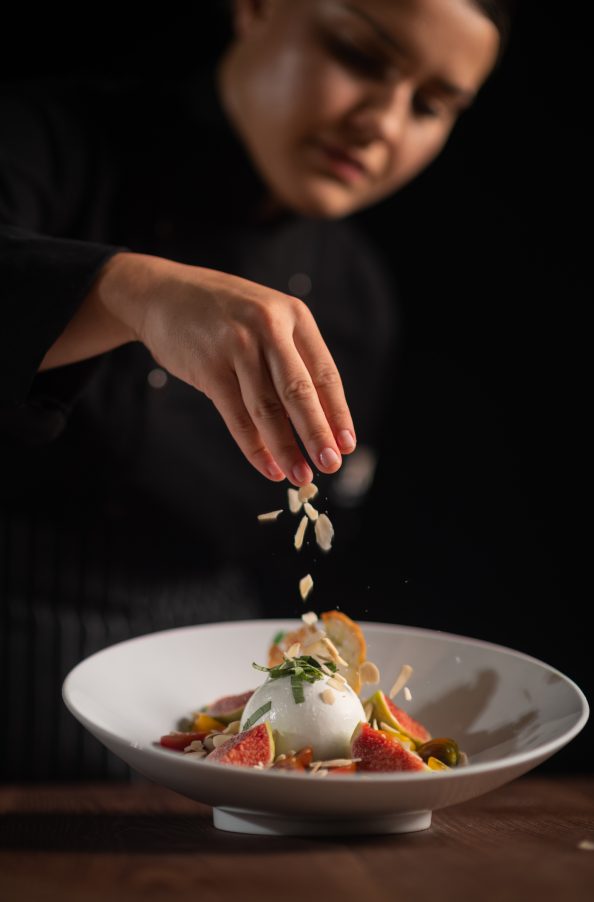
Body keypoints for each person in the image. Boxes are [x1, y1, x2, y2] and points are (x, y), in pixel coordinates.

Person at [0, 0, 511, 780]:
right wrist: (128, 291)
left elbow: (309, 556)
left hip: (211, 733)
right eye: (359, 56)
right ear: (257, 8)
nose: (383, 123)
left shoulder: (358, 294)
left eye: (431, 105)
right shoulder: (40, 139)